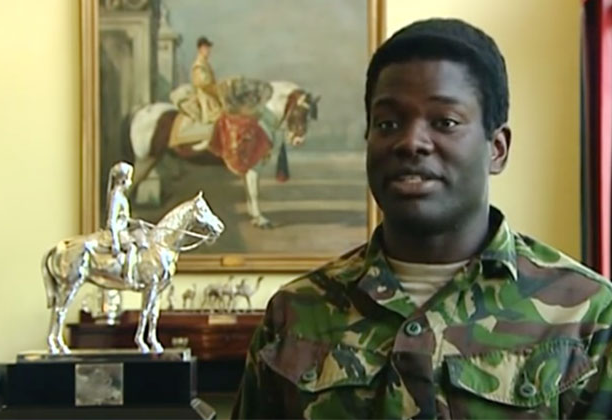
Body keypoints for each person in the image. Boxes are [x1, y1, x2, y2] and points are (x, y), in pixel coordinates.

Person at [231, 19, 612, 419]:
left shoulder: (586, 315)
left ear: (497, 149)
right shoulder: (294, 313)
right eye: (387, 123)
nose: (411, 141)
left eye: (445, 122)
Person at [105, 161, 138, 290]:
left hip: (123, 229)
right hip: (119, 232)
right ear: (123, 180)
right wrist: (115, 241)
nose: (131, 182)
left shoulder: (121, 196)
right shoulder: (116, 196)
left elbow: (124, 218)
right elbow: (112, 221)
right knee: (132, 248)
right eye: (129, 178)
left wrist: (137, 223)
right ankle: (128, 277)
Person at [191, 36, 223, 124]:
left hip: (211, 97)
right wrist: (217, 90)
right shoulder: (199, 65)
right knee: (217, 116)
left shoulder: (206, 64)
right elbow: (204, 83)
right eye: (206, 48)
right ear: (200, 49)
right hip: (205, 98)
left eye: (208, 48)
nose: (208, 51)